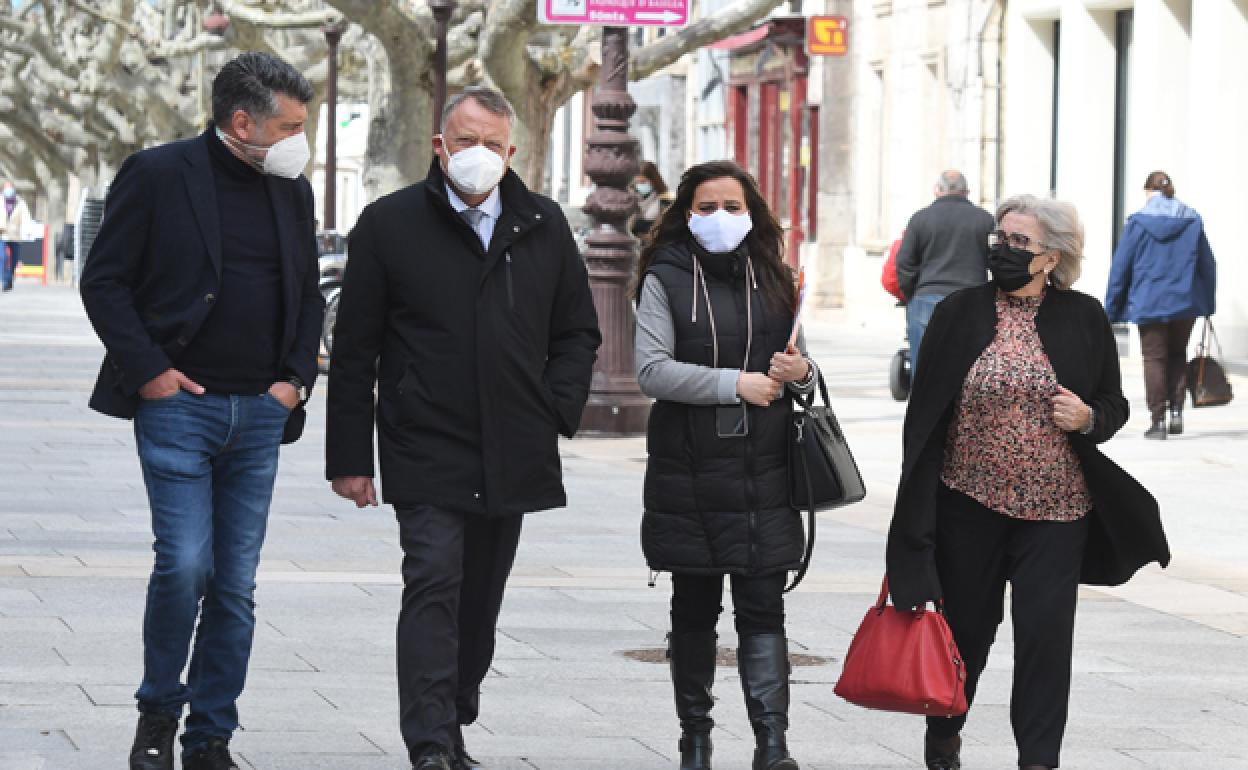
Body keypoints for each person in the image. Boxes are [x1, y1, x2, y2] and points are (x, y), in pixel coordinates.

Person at [325, 86, 601, 770]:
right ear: (439, 146)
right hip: (425, 441)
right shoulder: (389, 224)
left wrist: (553, 408)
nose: (477, 154)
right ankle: (430, 744)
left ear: (512, 152)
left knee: (480, 596)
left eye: (492, 143)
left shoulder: (543, 223)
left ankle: (453, 715)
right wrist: (349, 458)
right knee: (433, 582)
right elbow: (356, 350)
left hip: (513, 442)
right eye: (464, 139)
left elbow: (577, 332)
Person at [79, 52, 323, 770]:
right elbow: (105, 280)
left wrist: (294, 383)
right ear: (242, 121)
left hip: (261, 410)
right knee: (185, 567)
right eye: (291, 125)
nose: (299, 139)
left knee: (235, 585)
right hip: (179, 408)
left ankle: (211, 735)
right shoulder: (158, 174)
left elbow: (309, 295)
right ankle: (158, 712)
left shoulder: (292, 189)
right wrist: (149, 371)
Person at [886, 194, 1169, 770]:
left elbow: (1113, 404)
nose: (1002, 248)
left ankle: (1039, 761)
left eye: (1019, 242)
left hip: (1058, 511)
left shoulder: (1084, 316)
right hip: (969, 502)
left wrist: (1088, 417)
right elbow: (924, 417)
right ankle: (944, 737)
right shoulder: (959, 312)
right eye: (1000, 237)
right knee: (966, 636)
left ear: (1050, 258)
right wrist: (916, 514)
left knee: (1044, 642)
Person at [634, 160, 819, 770]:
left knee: (764, 606)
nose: (720, 218)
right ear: (687, 214)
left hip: (765, 467)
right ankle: (695, 735)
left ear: (752, 212)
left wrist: (802, 373)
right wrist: (733, 385)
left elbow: (802, 362)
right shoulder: (665, 276)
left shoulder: (776, 277)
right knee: (694, 606)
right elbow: (652, 370)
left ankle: (773, 744)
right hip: (688, 466)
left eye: (732, 207)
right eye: (707, 207)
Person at [1105, 171, 1217, 439]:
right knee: (1178, 355)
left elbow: (1121, 267)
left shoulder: (1138, 222)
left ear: (1148, 192)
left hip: (1149, 301)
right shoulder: (1192, 220)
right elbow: (1208, 265)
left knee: (1154, 359)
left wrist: (1111, 308)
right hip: (1184, 301)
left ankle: (1158, 422)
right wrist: (1207, 303)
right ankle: (1177, 412)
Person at [894, 170, 994, 370]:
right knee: (968, 368)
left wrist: (910, 294)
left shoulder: (921, 218)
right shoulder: (985, 220)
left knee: (924, 369)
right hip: (971, 300)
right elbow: (996, 260)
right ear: (967, 192)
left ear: (937, 190)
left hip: (927, 298)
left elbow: (904, 262)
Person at [1, 180, 32, 291]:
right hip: (2, 234)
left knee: (14, 260)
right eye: (6, 187)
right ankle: (5, 280)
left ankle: (10, 277)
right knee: (3, 257)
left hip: (15, 235)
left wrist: (28, 230)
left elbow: (26, 217)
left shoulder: (20, 202)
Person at [631, 160, 675, 238]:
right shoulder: (629, 200)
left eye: (643, 182)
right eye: (637, 182)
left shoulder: (666, 202)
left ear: (654, 180)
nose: (639, 185)